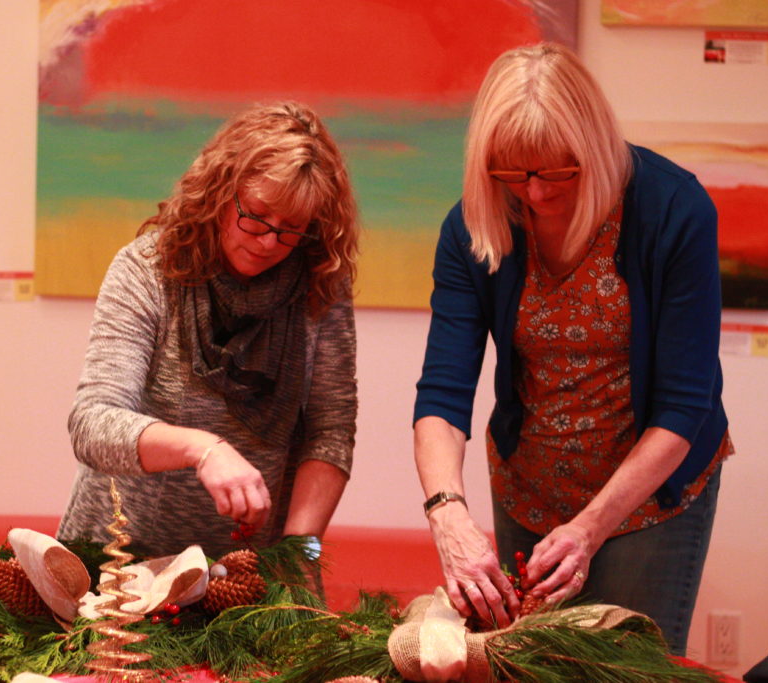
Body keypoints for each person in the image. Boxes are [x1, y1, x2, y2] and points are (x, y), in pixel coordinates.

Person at [413, 43, 732, 655]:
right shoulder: (474, 225)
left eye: (555, 172)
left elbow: (685, 402)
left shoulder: (672, 209)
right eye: (511, 172)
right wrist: (446, 512)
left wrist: (589, 529)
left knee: (627, 665)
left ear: (593, 149)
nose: (532, 193)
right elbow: (443, 394)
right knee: (530, 665)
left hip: (650, 497)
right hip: (527, 485)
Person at [58, 102, 359, 562]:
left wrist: (300, 555)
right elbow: (93, 423)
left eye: (291, 229)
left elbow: (330, 432)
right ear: (220, 191)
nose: (268, 242)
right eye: (256, 215)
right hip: (116, 564)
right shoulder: (148, 271)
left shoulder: (320, 287)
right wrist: (203, 448)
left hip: (242, 576)